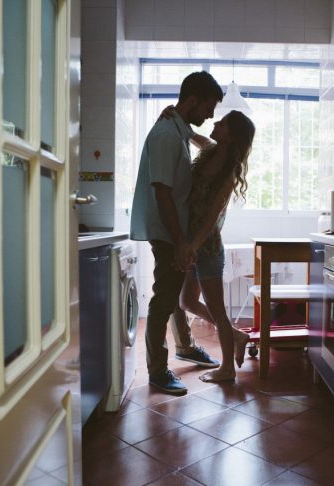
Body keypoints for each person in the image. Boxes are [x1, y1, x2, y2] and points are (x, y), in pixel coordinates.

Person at [130, 71, 223, 395]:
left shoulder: (178, 131)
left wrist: (186, 127)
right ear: (193, 100)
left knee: (172, 294)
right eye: (208, 107)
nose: (210, 115)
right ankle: (157, 370)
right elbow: (163, 193)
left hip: (174, 231)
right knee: (165, 298)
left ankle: (184, 345)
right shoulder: (168, 136)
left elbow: (211, 145)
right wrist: (180, 241)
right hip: (169, 232)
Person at [163, 107, 255, 383]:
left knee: (217, 310)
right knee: (186, 300)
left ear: (232, 135)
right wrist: (176, 118)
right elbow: (193, 135)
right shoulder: (210, 150)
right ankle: (237, 336)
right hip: (191, 243)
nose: (216, 122)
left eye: (223, 123)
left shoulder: (229, 171)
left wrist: (192, 246)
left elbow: (213, 215)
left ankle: (227, 369)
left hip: (208, 246)